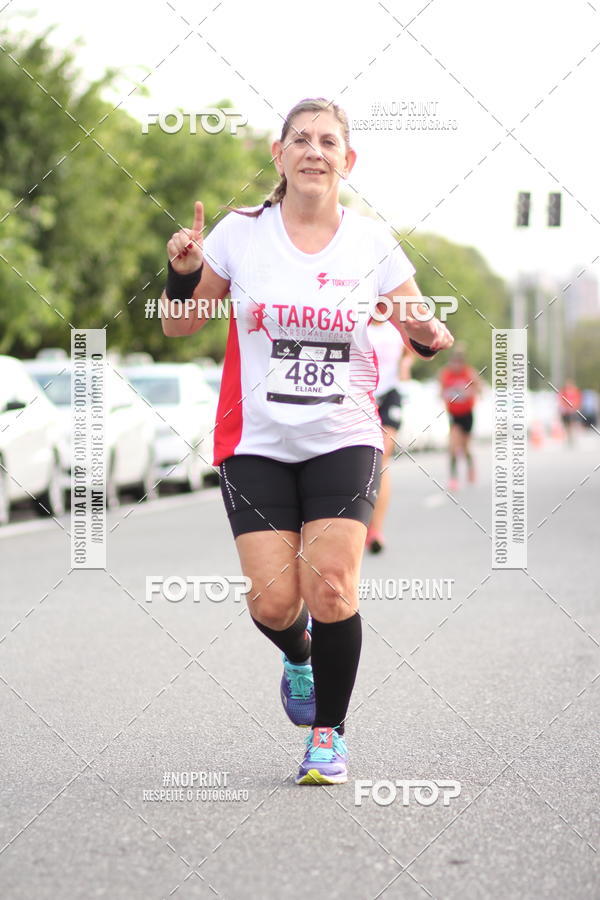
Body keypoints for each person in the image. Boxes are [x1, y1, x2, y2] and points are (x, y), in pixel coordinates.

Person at [160, 98, 454, 785]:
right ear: (280, 154)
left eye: (328, 141)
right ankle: (298, 654)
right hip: (254, 439)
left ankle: (328, 733)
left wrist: (431, 335)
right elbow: (180, 327)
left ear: (348, 162)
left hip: (342, 436)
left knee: (330, 587)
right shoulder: (239, 234)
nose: (315, 151)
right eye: (302, 139)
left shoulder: (372, 243)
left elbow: (421, 324)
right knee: (272, 601)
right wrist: (180, 272)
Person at [365, 319, 415, 553]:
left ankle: (375, 529)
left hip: (388, 395)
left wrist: (405, 364)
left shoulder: (397, 324)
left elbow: (411, 350)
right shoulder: (358, 319)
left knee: (381, 459)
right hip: (360, 395)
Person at [439, 344, 481, 491]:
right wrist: (447, 395)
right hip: (454, 415)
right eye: (453, 361)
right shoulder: (446, 374)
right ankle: (453, 478)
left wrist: (469, 392)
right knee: (453, 447)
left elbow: (479, 389)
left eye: (459, 362)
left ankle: (470, 468)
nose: (456, 365)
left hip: (467, 414)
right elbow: (441, 392)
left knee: (465, 448)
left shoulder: (469, 373)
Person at [558, 380, 582, 445]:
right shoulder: (564, 391)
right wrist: (564, 407)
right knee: (567, 425)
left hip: (573, 410)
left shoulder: (575, 391)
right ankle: (569, 437)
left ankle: (574, 437)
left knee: (574, 424)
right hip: (566, 411)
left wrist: (575, 407)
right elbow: (561, 400)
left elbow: (578, 400)